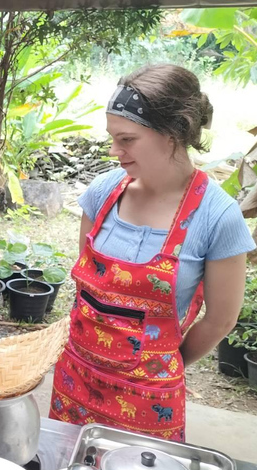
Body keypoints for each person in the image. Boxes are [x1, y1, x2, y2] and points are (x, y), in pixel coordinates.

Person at [49, 64, 255, 441]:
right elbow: (85, 290)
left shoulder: (217, 218)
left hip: (148, 400)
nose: (115, 152)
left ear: (173, 133)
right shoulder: (103, 193)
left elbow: (220, 321)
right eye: (113, 138)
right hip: (74, 378)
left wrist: (161, 363)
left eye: (127, 139)